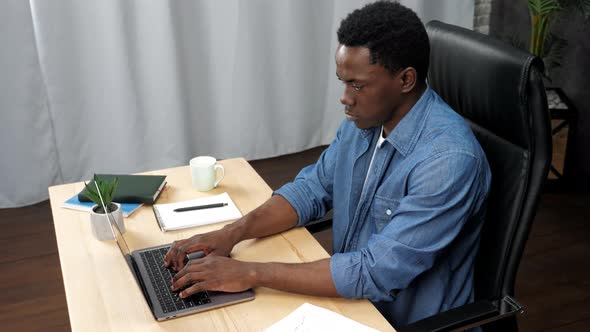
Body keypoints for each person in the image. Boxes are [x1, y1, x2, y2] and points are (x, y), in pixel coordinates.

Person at [164, 1, 491, 326]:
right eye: (343, 81)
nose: (345, 98)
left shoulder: (448, 161)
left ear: (405, 80)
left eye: (358, 85)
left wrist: (250, 272)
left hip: (397, 320)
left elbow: (374, 272)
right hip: (351, 300)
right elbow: (312, 189)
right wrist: (232, 234)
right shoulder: (365, 121)